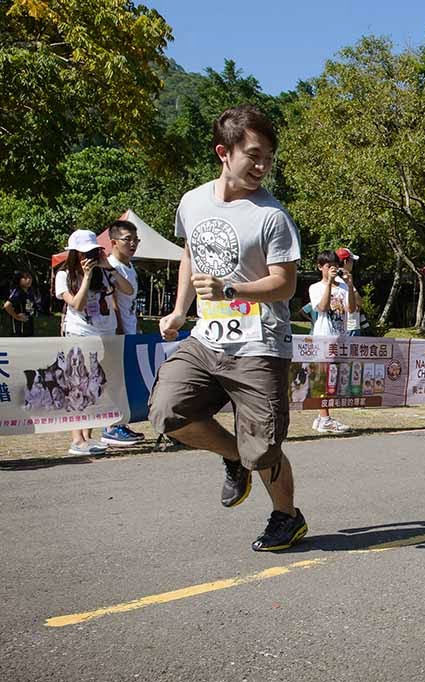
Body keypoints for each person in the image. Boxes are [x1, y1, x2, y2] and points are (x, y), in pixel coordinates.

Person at [148, 105, 307, 552]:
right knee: (167, 412)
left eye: (269, 157)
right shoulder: (192, 202)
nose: (262, 166)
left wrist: (231, 288)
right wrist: (180, 310)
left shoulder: (271, 216)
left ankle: (287, 517)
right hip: (206, 339)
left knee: (264, 450)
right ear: (224, 152)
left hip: (260, 345)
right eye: (254, 155)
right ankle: (233, 456)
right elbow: (190, 255)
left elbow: (285, 284)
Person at [56, 229, 134, 455]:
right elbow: (77, 305)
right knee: (77, 386)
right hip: (79, 333)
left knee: (95, 386)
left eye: (92, 252)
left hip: (105, 333)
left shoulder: (106, 272)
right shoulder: (64, 276)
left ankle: (87, 438)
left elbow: (128, 290)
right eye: (83, 253)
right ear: (73, 254)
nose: (88, 257)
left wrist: (108, 268)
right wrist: (87, 276)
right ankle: (76, 439)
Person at [101, 219, 147, 445]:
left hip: (130, 328)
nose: (133, 244)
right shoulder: (110, 266)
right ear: (114, 242)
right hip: (116, 332)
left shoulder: (129, 266)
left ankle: (120, 423)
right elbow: (113, 301)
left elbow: (130, 300)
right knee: (114, 378)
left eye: (135, 240)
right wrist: (119, 328)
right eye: (127, 240)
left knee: (124, 379)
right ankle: (111, 426)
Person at [308, 248, 355, 434]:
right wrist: (328, 282)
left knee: (333, 379)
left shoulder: (343, 287)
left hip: (340, 337)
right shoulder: (315, 287)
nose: (333, 270)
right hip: (323, 337)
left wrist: (349, 285)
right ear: (320, 267)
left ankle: (322, 418)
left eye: (335, 266)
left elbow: (351, 309)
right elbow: (322, 307)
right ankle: (325, 418)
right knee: (323, 378)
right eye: (329, 266)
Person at [3, 270, 40, 337]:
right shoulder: (17, 292)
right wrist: (16, 316)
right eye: (25, 278)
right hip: (19, 327)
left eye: (30, 278)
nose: (29, 280)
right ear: (19, 280)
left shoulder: (30, 292)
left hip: (29, 326)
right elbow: (7, 305)